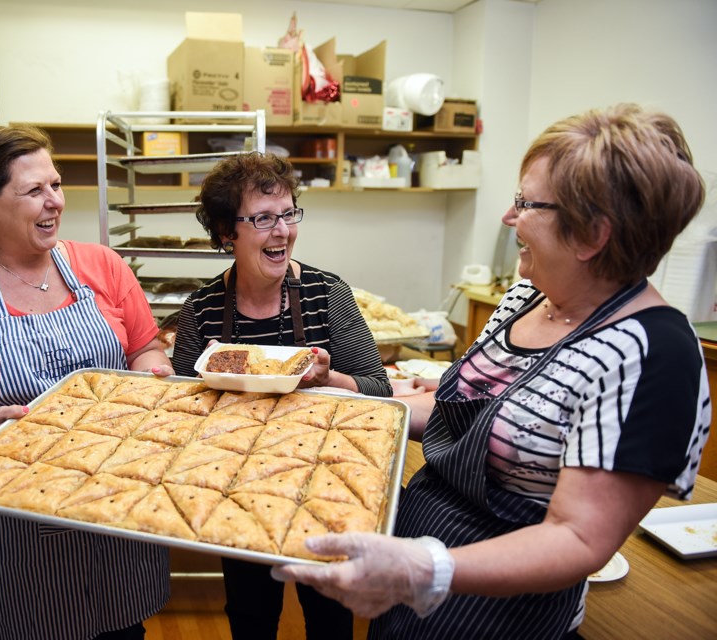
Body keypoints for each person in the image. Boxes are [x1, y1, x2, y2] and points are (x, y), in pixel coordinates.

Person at [272, 103, 711, 639]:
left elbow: (578, 538)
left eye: (527, 203)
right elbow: (464, 405)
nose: (508, 217)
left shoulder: (651, 353)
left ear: (592, 234)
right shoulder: (529, 294)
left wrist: (425, 568)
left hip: (501, 613)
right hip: (415, 573)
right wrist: (346, 401)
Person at [0, 125, 173, 640]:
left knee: (124, 629)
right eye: (33, 191)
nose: (53, 202)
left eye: (55, 185)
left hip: (114, 496)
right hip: (17, 517)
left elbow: (145, 348)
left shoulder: (102, 266)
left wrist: (151, 377)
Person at [172, 151, 392, 640]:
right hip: (239, 488)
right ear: (228, 232)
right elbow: (182, 415)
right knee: (251, 617)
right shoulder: (203, 309)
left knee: (330, 618)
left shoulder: (326, 293)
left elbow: (379, 388)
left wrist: (327, 380)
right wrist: (211, 380)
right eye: (264, 219)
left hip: (325, 485)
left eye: (289, 214)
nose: (283, 232)